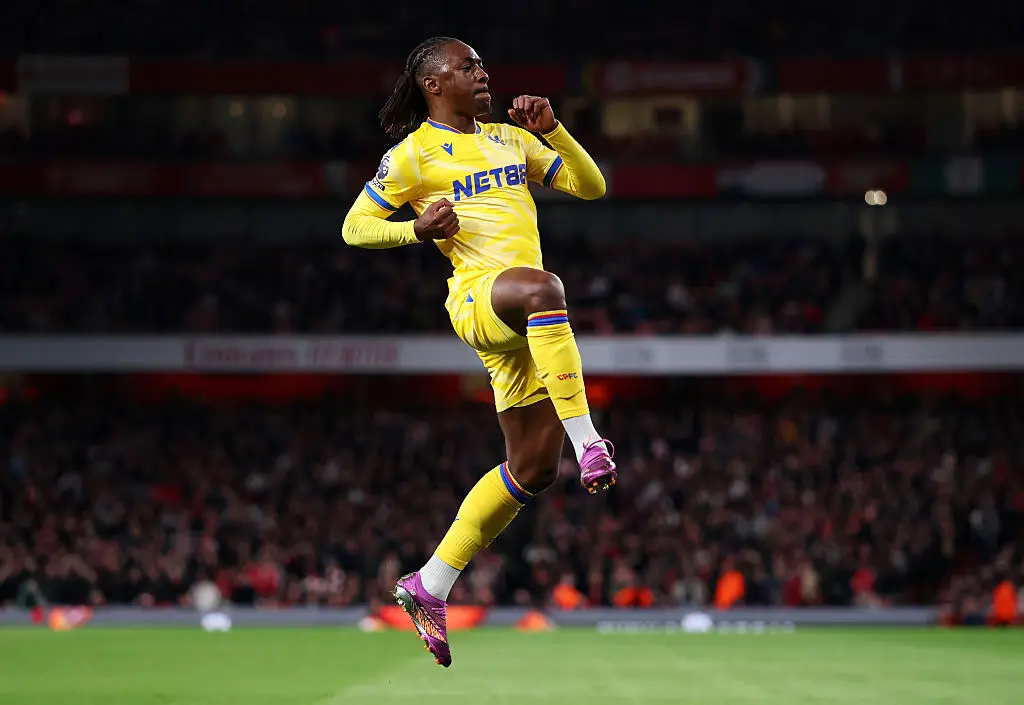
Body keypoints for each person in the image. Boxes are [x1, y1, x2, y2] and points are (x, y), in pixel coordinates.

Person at [342, 36, 616, 667]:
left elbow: (592, 186)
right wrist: (414, 228)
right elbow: (355, 227)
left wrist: (556, 132)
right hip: (479, 302)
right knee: (546, 285)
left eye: (483, 64)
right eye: (468, 67)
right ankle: (591, 441)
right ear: (435, 84)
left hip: (526, 324)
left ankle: (430, 585)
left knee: (532, 468)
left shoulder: (508, 138)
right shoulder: (412, 155)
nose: (483, 74)